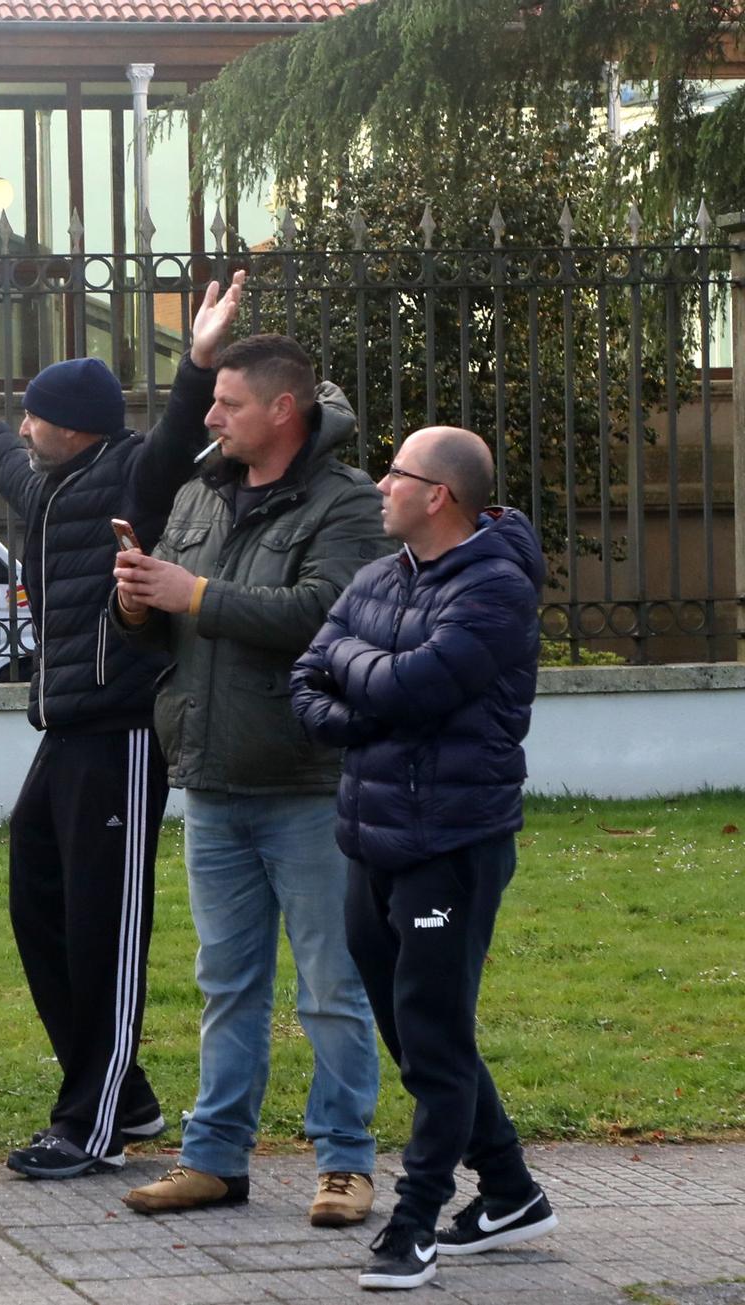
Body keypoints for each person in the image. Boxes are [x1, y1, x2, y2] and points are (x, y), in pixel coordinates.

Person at [0, 269, 244, 1180]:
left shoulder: (128, 474)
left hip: (119, 734)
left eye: (33, 415)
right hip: (64, 733)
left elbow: (181, 433)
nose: (23, 428)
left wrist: (198, 361)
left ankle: (94, 1121)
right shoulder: (47, 487)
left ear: (72, 425)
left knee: (105, 923)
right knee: (37, 901)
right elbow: (5, 464)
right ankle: (131, 1094)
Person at [112, 334, 388, 1228]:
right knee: (226, 981)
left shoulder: (346, 504)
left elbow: (324, 613)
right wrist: (140, 599)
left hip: (307, 780)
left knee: (330, 986)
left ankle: (345, 1164)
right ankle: (215, 1159)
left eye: (227, 402)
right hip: (214, 776)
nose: (210, 415)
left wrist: (193, 594)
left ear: (283, 409)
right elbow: (176, 631)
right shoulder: (198, 494)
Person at [290, 426, 557, 1291]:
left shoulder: (496, 588)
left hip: (452, 842)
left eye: (395, 473)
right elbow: (307, 678)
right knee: (415, 1031)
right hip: (369, 837)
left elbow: (414, 687)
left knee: (436, 1035)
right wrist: (364, 699)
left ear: (437, 494)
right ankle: (510, 1189)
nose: (379, 484)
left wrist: (357, 680)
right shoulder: (377, 576)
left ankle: (415, 1224)